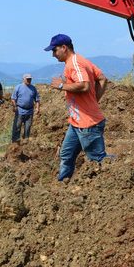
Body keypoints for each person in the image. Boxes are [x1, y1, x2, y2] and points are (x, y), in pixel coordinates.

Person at [45, 33, 109, 181]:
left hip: (88, 125)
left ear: (64, 47)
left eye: (54, 50)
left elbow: (85, 85)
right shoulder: (81, 60)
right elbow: (102, 78)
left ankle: (115, 178)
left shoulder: (74, 62)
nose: (53, 55)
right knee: (66, 154)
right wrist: (94, 100)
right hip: (76, 123)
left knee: (98, 160)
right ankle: (63, 184)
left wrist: (62, 85)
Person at [11, 73, 40, 144]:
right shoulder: (18, 87)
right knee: (17, 127)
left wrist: (37, 108)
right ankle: (15, 143)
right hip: (20, 110)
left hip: (30, 111)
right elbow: (13, 98)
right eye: (27, 79)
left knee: (28, 128)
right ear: (23, 79)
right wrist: (14, 106)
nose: (29, 80)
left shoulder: (33, 88)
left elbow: (37, 99)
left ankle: (25, 143)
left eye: (30, 79)